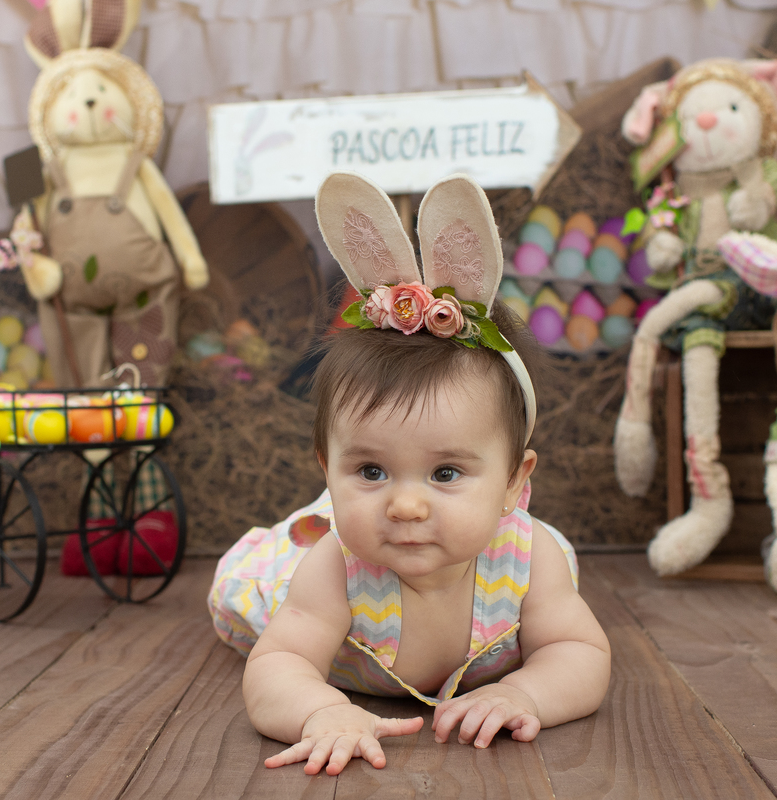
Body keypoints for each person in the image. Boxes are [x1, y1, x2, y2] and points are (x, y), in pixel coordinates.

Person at [208, 172, 611, 776]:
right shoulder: (336, 568)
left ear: (511, 482)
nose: (406, 506)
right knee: (256, 602)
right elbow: (277, 665)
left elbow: (578, 651)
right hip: (289, 597)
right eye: (370, 469)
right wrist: (320, 710)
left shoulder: (528, 561)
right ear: (327, 468)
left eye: (446, 473)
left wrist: (526, 692)